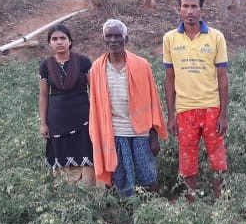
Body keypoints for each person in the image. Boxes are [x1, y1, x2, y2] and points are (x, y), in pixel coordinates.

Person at [163, 0, 229, 199]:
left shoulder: (216, 37)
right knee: (187, 162)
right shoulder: (170, 39)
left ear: (201, 10)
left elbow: (222, 77)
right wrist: (171, 115)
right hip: (185, 111)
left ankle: (221, 204)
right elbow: (169, 78)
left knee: (218, 160)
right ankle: (193, 206)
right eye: (185, 6)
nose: (189, 11)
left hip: (211, 108)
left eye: (194, 6)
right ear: (178, 9)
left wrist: (223, 114)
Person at [88, 19, 167, 197]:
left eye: (118, 36)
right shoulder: (96, 69)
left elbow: (152, 101)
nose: (113, 40)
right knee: (120, 176)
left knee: (148, 175)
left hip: (140, 132)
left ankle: (154, 210)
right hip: (114, 132)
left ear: (126, 39)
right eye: (109, 36)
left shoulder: (142, 65)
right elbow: (96, 106)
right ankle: (128, 214)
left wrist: (154, 137)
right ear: (104, 39)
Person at [38, 24, 95, 183]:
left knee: (85, 151)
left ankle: (90, 192)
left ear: (70, 41)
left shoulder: (83, 62)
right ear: (50, 43)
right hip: (57, 119)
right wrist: (43, 123)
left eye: (63, 38)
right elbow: (43, 96)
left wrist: (98, 117)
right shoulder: (46, 66)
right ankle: (67, 195)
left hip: (83, 118)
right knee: (61, 152)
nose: (59, 42)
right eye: (54, 39)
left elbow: (95, 92)